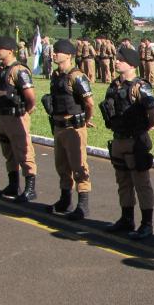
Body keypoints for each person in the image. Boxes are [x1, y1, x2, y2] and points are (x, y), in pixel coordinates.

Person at [101, 46, 154, 239]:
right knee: (123, 182)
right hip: (119, 139)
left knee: (141, 183)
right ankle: (127, 219)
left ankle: (147, 224)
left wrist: (145, 127)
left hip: (135, 141)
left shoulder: (140, 86)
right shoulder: (114, 86)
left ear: (132, 64)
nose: (116, 61)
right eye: (117, 58)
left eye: (120, 59)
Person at [44, 39, 95, 220]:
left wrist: (85, 120)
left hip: (74, 126)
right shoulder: (56, 75)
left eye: (58, 51)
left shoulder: (76, 76)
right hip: (58, 126)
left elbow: (89, 103)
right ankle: (65, 200)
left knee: (79, 166)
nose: (54, 54)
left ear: (69, 55)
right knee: (62, 165)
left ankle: (83, 205)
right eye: (54, 51)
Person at [0, 36, 37, 202]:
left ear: (10, 51)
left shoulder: (18, 70)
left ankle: (30, 188)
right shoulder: (0, 69)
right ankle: (13, 184)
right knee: (8, 153)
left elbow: (30, 97)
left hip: (16, 116)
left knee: (24, 152)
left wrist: (26, 112)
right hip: (3, 116)